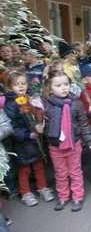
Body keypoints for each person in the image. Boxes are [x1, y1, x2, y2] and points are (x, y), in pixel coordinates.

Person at [42, 70, 91, 212]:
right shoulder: (46, 105)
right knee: (60, 173)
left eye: (66, 84)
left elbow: (84, 123)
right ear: (50, 88)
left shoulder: (76, 103)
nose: (64, 88)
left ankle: (77, 197)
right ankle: (63, 196)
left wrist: (89, 140)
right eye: (58, 85)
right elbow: (43, 125)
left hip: (74, 143)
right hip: (55, 146)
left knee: (75, 171)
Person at [4, 71, 55, 207]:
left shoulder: (28, 98)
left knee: (38, 165)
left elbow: (35, 115)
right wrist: (27, 134)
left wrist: (39, 120)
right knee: (24, 168)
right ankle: (25, 192)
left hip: (34, 140)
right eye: (16, 84)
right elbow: (12, 126)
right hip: (22, 143)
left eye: (23, 83)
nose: (21, 87)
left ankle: (42, 187)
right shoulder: (11, 104)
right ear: (9, 87)